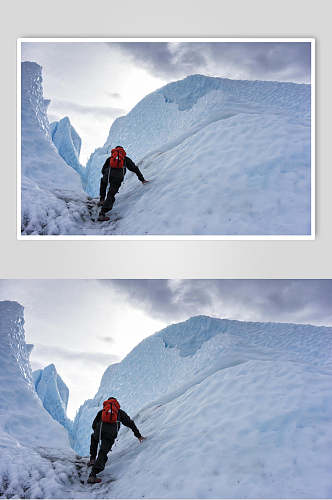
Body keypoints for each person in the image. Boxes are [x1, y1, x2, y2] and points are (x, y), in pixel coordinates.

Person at [87, 396, 145, 484]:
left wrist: (97, 432)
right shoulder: (119, 412)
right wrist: (138, 435)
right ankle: (93, 474)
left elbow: (94, 425)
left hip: (100, 430)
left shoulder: (102, 412)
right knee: (103, 452)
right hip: (110, 434)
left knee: (93, 438)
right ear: (116, 403)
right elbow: (130, 423)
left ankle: (92, 459)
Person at [98, 146, 149, 222]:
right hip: (118, 177)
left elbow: (103, 170)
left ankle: (102, 200)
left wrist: (106, 175)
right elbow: (135, 169)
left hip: (108, 175)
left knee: (103, 183)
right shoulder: (125, 159)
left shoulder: (110, 158)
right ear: (123, 151)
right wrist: (142, 179)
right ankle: (102, 213)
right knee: (111, 194)